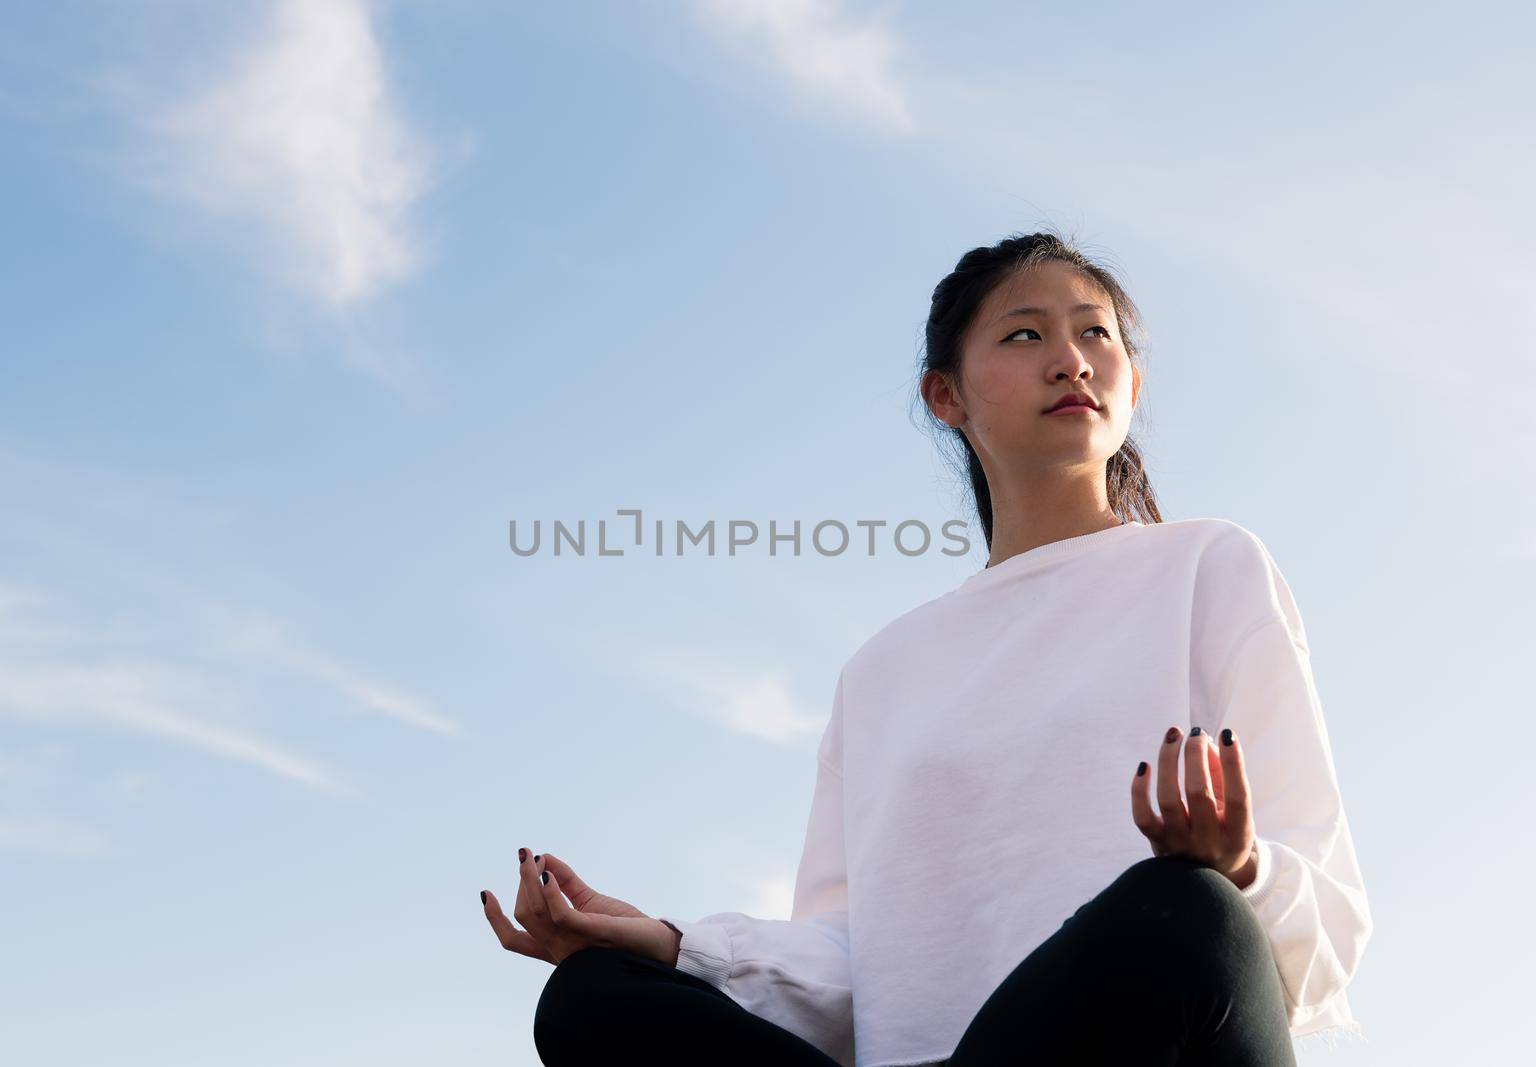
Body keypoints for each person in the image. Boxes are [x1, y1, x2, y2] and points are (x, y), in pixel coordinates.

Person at [480, 231, 1374, 1066]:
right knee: (590, 997)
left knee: (1184, 910)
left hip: (1158, 1030)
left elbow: (1328, 923)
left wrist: (1238, 865)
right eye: (1025, 334)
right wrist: (674, 943)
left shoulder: (1206, 565)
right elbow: (845, 966)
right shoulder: (880, 671)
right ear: (945, 395)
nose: (1070, 359)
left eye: (1095, 333)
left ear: (1132, 384)